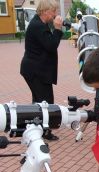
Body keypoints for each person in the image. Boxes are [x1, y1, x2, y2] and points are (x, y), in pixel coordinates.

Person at [20, 0, 63, 140]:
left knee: (39, 101)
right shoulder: (38, 26)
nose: (55, 14)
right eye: (53, 11)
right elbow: (51, 45)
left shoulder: (39, 23)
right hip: (35, 71)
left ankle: (36, 127)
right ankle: (45, 132)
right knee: (45, 102)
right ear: (45, 11)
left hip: (36, 70)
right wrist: (57, 29)